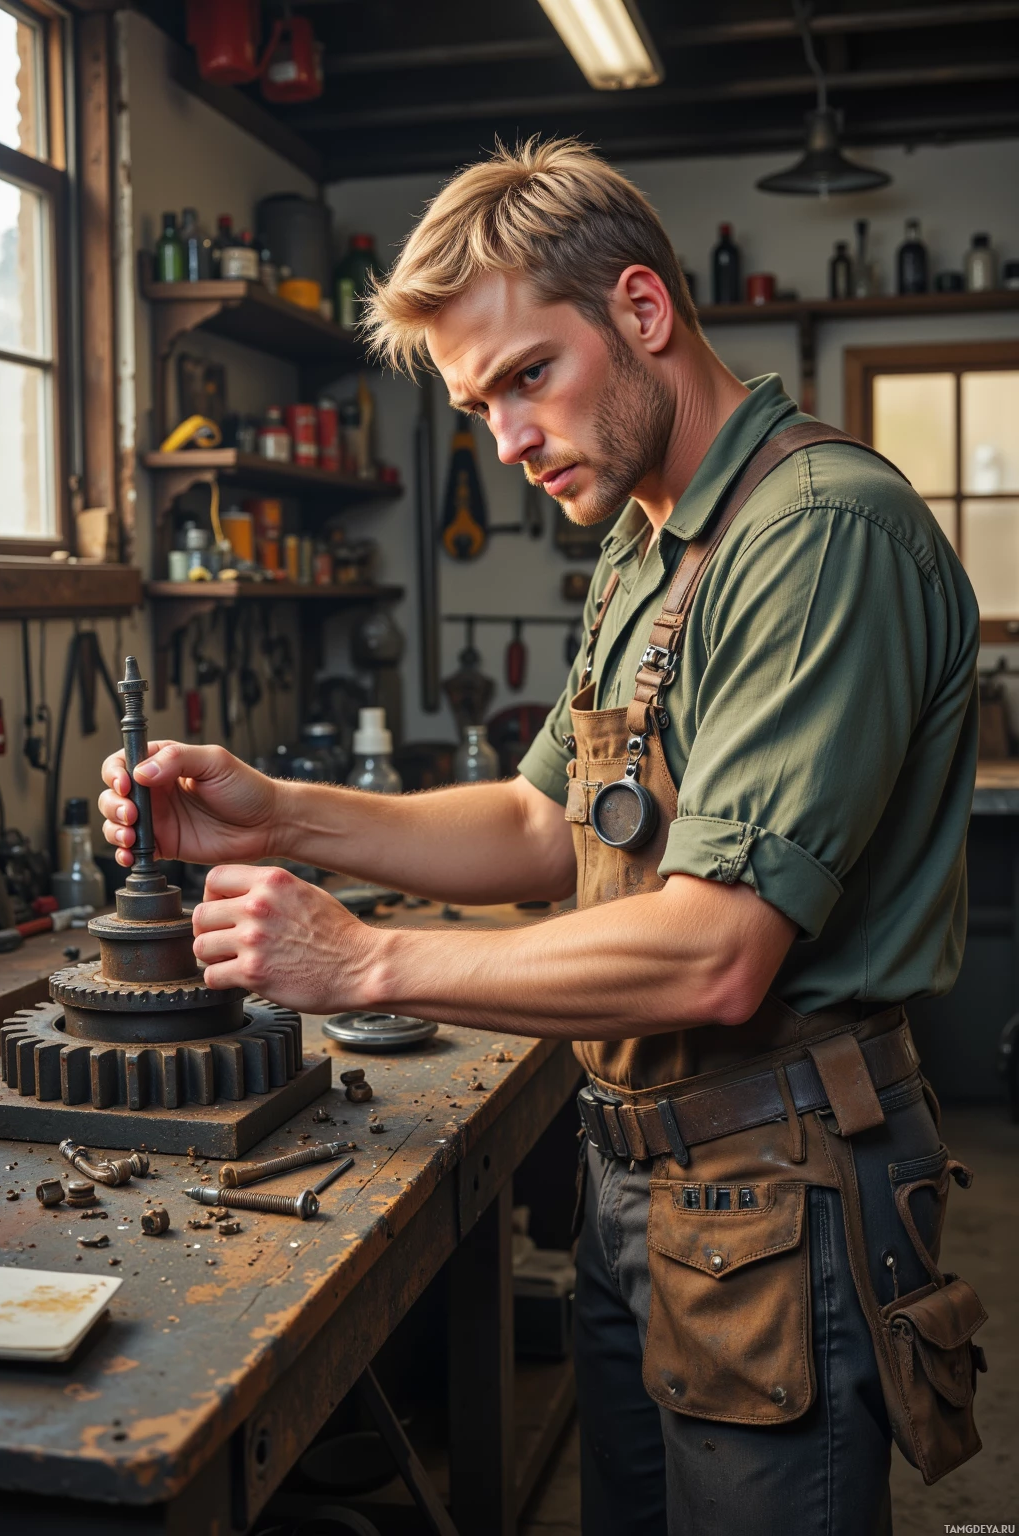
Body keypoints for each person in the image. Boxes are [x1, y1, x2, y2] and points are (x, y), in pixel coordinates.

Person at [101, 140, 984, 1535]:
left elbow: (717, 957)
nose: (504, 439)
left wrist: (363, 964)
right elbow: (538, 820)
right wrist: (275, 811)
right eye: (475, 404)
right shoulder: (652, 544)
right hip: (648, 1187)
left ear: (641, 311)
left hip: (785, 1194)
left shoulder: (817, 537)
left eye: (527, 377)